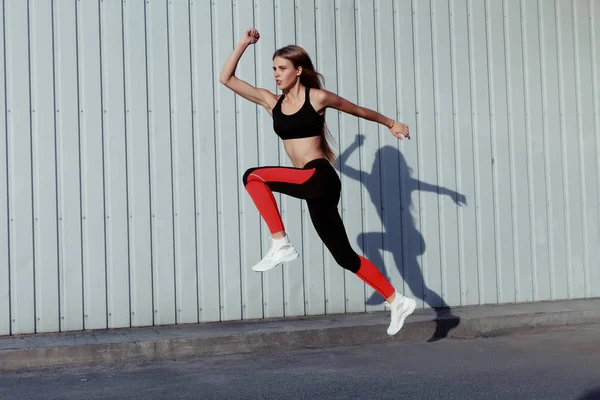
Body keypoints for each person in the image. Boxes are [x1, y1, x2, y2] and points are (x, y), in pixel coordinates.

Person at [219, 28, 416, 336]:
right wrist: (244, 43)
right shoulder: (272, 103)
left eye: (282, 68)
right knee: (344, 256)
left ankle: (280, 243)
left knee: (252, 176)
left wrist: (391, 123)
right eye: (273, 69)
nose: (276, 74)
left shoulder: (318, 98)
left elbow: (358, 110)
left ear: (299, 71)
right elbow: (227, 79)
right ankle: (397, 300)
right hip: (312, 185)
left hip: (319, 177)